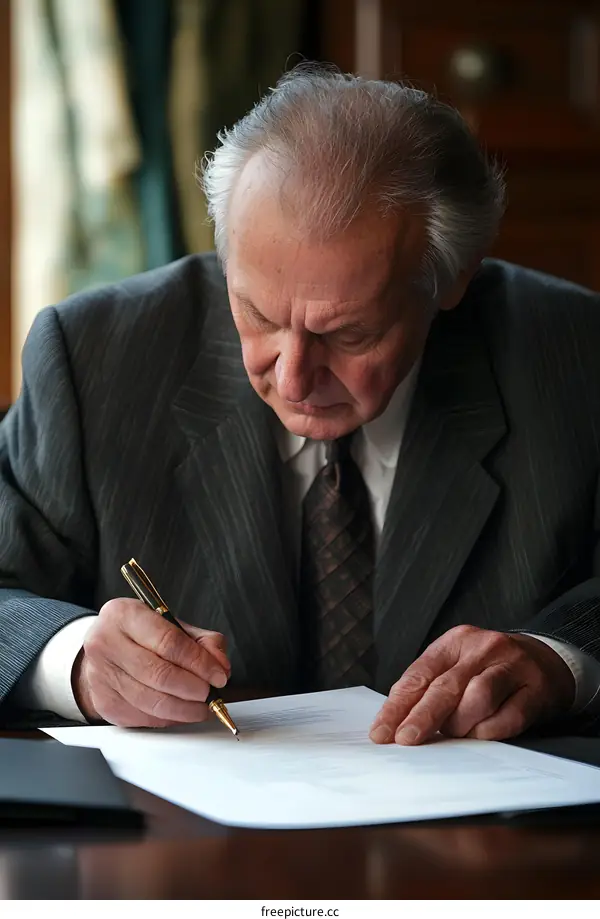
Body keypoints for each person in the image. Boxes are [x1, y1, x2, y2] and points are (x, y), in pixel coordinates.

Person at [2, 66, 600, 747]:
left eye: (349, 335)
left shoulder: (574, 360)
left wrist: (563, 662)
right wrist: (74, 660)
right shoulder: (94, 357)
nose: (291, 379)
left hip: (484, 844)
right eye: (255, 314)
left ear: (450, 280)